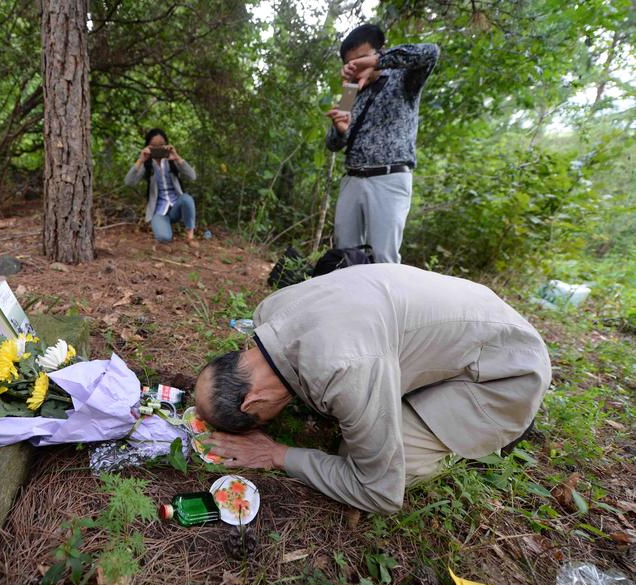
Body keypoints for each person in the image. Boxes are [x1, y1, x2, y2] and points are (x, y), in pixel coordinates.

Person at [194, 264, 551, 514]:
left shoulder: (342, 369)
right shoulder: (270, 311)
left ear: (253, 400)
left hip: (506, 372)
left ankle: (483, 438)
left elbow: (378, 491)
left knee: (355, 460)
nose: (269, 422)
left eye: (260, 420)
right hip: (479, 319)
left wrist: (277, 454)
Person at [325, 24, 439, 264]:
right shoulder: (351, 91)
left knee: (384, 258)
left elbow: (431, 52)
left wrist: (377, 62)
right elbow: (333, 144)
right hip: (352, 179)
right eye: (351, 63)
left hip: (389, 179)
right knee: (344, 255)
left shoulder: (403, 79)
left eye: (362, 58)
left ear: (380, 52)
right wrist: (340, 130)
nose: (357, 66)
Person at [124, 128, 199, 248]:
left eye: (161, 145)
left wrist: (177, 157)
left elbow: (192, 176)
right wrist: (140, 160)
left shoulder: (172, 161)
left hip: (177, 207)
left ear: (167, 145)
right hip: (159, 211)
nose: (158, 148)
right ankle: (165, 228)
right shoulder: (147, 165)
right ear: (147, 146)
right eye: (153, 145)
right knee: (164, 237)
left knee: (186, 199)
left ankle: (190, 238)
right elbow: (129, 182)